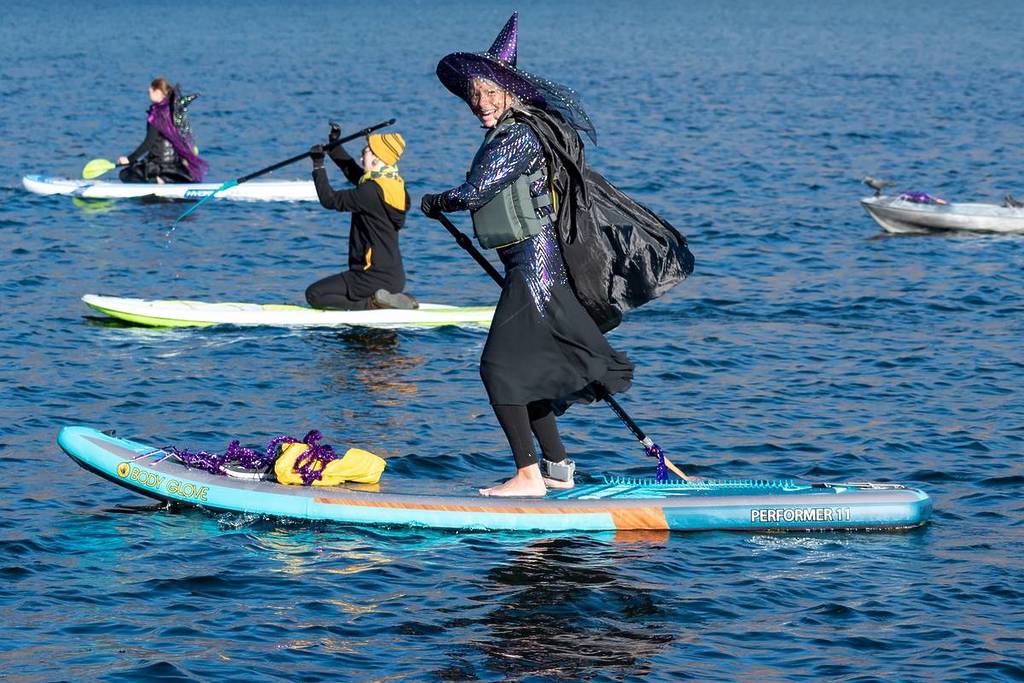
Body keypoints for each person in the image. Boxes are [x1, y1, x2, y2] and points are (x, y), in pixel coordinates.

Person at [420, 13, 636, 497]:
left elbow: (475, 192)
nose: (480, 103)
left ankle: (527, 475)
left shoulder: (518, 135)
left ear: (510, 93)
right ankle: (556, 468)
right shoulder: (507, 132)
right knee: (527, 368)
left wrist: (437, 200)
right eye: (474, 95)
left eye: (489, 93)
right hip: (532, 266)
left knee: (498, 369)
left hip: (534, 270)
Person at [306, 126, 417, 311]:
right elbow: (352, 171)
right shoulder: (395, 186)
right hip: (395, 277)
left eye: (364, 153)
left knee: (314, 294)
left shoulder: (369, 192)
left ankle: (373, 303)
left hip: (369, 276)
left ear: (377, 159)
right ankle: (394, 298)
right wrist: (334, 145)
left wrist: (318, 165)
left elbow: (329, 200)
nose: (360, 158)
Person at [118, 77, 207, 184]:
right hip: (175, 166)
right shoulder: (174, 110)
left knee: (124, 174)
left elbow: (148, 143)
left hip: (157, 165)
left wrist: (130, 159)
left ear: (158, 92)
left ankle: (156, 179)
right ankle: (166, 179)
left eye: (150, 92)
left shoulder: (156, 114)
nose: (149, 95)